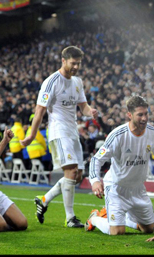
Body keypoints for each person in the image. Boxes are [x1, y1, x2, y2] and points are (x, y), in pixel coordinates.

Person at [22, 46, 98, 228]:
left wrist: (90, 112)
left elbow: (83, 106)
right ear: (63, 61)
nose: (76, 67)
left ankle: (44, 199)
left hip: (73, 131)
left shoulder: (77, 82)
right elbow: (40, 110)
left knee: (78, 176)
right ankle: (70, 217)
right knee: (71, 173)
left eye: (78, 63)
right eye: (73, 63)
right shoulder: (51, 82)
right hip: (58, 131)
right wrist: (32, 134)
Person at [86, 95, 154, 235]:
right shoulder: (118, 135)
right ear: (129, 115)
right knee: (117, 232)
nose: (144, 118)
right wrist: (95, 181)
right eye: (140, 115)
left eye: (146, 113)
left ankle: (124, 219)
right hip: (117, 188)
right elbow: (96, 159)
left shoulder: (153, 134)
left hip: (138, 189)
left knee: (149, 229)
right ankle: (94, 218)